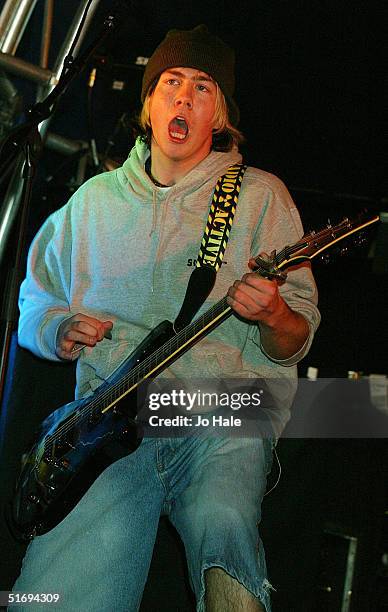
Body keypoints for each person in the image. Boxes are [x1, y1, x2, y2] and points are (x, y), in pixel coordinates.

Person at [13, 25, 320, 612]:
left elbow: (294, 339)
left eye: (202, 88)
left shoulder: (259, 198)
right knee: (55, 597)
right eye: (170, 84)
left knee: (223, 524)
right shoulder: (94, 202)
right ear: (148, 106)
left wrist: (275, 312)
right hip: (109, 423)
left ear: (220, 118)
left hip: (224, 409)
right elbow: (35, 299)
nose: (183, 97)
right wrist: (55, 328)